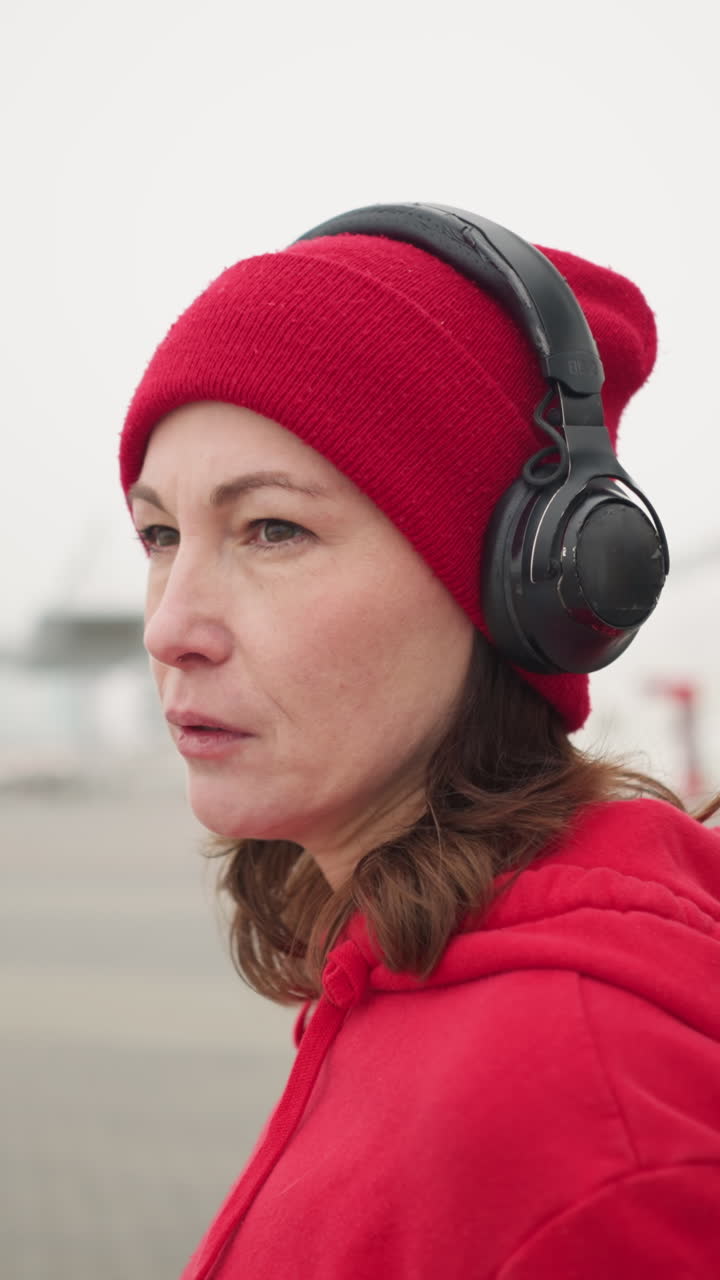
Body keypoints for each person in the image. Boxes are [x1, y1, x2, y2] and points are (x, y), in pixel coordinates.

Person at [119, 205, 720, 1279]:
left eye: (273, 529)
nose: (170, 625)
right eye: (161, 534)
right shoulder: (399, 972)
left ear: (518, 584)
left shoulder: (582, 1118)